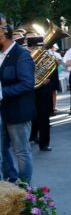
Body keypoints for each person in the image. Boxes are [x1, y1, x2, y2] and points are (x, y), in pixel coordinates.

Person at [0, 25, 36, 183]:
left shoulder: (22, 54)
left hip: (18, 111)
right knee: (2, 150)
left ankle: (24, 190)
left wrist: (2, 92)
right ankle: (11, 178)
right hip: (2, 111)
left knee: (21, 152)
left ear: (3, 35)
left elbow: (27, 83)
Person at [27, 34, 55, 152]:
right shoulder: (24, 57)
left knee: (44, 118)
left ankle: (44, 143)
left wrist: (48, 80)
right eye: (34, 48)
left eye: (39, 48)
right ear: (29, 47)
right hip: (28, 92)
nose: (38, 50)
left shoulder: (48, 57)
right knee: (29, 117)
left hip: (44, 92)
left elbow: (53, 73)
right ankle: (31, 136)